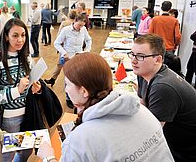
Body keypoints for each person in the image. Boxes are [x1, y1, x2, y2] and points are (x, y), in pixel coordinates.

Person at [37, 53, 174, 162]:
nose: (65, 90)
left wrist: (48, 157)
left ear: (84, 91)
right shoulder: (141, 111)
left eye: (67, 84)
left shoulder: (80, 139)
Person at [130, 34, 196, 161]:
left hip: (184, 150)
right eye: (132, 54)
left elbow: (151, 132)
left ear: (158, 59)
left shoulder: (163, 86)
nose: (133, 60)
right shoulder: (144, 72)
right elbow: (143, 105)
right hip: (171, 140)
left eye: (140, 56)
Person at [0, 18, 42, 162]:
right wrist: (16, 91)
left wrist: (37, 88)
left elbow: (32, 82)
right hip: (10, 118)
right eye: (15, 35)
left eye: (23, 35)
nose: (20, 40)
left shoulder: (27, 57)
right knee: (7, 155)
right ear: (6, 36)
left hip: (29, 113)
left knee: (26, 152)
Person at [46, 14, 92, 108]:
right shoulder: (66, 30)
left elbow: (88, 40)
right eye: (79, 25)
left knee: (78, 77)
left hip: (79, 56)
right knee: (69, 79)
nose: (80, 27)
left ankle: (77, 96)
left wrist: (87, 50)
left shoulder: (83, 30)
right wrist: (64, 53)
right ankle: (68, 98)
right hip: (68, 57)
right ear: (74, 21)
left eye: (82, 25)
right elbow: (57, 43)